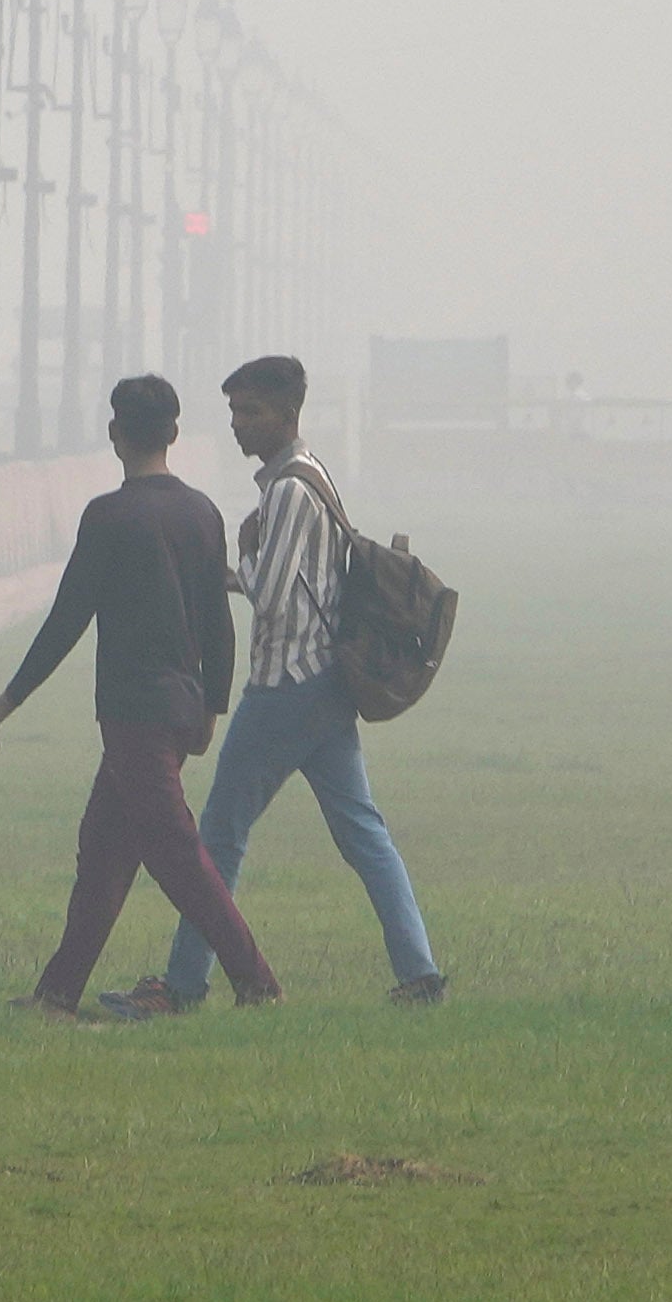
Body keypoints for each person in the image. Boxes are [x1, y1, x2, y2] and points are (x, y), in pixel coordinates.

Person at [110, 355, 444, 1015]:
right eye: (233, 411)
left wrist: (241, 553)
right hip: (325, 685)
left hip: (287, 685)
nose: (239, 425)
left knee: (218, 839)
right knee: (363, 833)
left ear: (287, 416)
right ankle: (421, 973)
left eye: (251, 412)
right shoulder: (310, 478)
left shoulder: (290, 490)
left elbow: (270, 592)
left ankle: (181, 986)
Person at [0, 374, 278, 1013]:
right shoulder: (201, 513)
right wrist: (212, 708)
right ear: (173, 434)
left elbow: (67, 618)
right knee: (104, 858)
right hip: (178, 707)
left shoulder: (108, 517)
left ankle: (258, 983)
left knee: (176, 855)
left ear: (115, 435)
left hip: (131, 715)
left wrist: (11, 698)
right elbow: (217, 621)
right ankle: (57, 994)